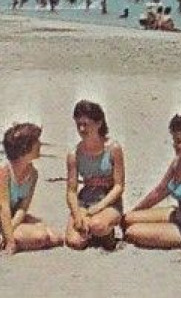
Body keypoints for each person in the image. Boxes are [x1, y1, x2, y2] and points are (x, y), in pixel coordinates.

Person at [123, 113, 181, 250]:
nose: (175, 145)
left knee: (133, 231)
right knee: (127, 219)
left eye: (179, 141)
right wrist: (135, 211)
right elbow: (160, 191)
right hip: (178, 214)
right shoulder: (178, 162)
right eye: (174, 140)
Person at [0, 123, 62, 254]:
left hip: (13, 218)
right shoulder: (2, 170)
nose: (40, 145)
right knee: (41, 237)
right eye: (36, 142)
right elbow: (3, 208)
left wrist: (12, 227)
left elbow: (23, 207)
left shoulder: (33, 173)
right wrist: (9, 240)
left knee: (56, 237)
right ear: (25, 148)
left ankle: (17, 234)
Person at [66, 100, 125, 249]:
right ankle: (94, 233)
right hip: (85, 199)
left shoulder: (113, 149)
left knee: (97, 225)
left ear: (98, 123)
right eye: (78, 124)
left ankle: (106, 232)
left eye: (86, 124)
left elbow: (119, 186)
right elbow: (71, 191)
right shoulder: (74, 154)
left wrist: (98, 208)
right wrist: (77, 215)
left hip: (108, 200)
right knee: (75, 242)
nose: (81, 128)